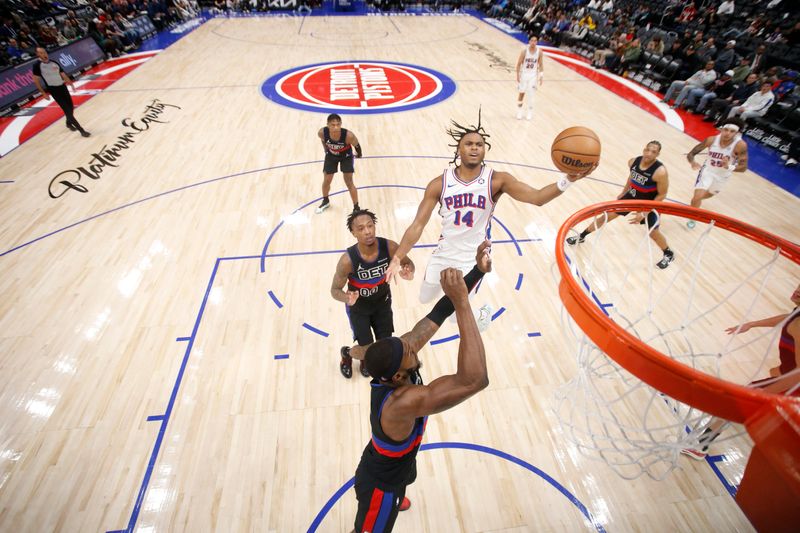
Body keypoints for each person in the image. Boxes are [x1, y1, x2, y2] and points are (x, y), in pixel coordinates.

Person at [352, 241, 492, 532]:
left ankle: (400, 491)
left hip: (398, 462)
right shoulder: (401, 403)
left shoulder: (398, 354)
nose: (415, 346)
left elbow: (439, 312)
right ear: (399, 378)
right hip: (381, 484)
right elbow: (475, 380)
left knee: (404, 473)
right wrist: (464, 304)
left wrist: (477, 272)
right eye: (411, 352)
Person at [384, 111, 593, 303]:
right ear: (459, 149)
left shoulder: (497, 181)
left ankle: (479, 312)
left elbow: (536, 197)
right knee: (424, 298)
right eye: (469, 144)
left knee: (454, 313)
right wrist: (397, 257)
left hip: (474, 258)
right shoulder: (439, 184)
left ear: (485, 149)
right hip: (444, 252)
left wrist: (568, 180)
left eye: (479, 144)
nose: (474, 147)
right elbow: (417, 225)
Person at [682, 283, 800, 460]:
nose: (798, 288)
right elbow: (787, 318)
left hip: (794, 385)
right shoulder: (797, 315)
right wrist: (753, 324)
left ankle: (701, 445)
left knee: (736, 401)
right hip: (788, 376)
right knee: (772, 374)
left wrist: (763, 394)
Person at [331, 209, 415, 379]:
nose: (367, 231)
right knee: (366, 347)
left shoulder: (389, 247)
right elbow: (334, 290)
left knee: (385, 343)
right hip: (359, 308)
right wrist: (347, 298)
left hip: (382, 303)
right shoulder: (347, 260)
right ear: (353, 233)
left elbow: (408, 263)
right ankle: (347, 354)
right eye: (361, 228)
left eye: (370, 226)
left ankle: (368, 360)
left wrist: (409, 272)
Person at [566, 141, 675, 269]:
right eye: (648, 150)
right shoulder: (633, 162)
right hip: (632, 197)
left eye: (653, 152)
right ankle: (582, 236)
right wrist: (623, 193)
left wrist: (645, 212)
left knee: (653, 233)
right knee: (606, 216)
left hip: (650, 204)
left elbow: (662, 195)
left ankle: (668, 253)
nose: (649, 154)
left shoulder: (660, 172)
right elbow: (631, 177)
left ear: (658, 154)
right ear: (644, 149)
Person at [685, 117, 748, 227]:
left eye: (732, 131)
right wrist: (693, 162)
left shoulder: (740, 145)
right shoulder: (711, 140)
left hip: (723, 175)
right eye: (726, 130)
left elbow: (743, 168)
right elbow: (691, 153)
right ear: (721, 129)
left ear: (736, 133)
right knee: (697, 197)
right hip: (707, 171)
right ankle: (692, 217)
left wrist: (729, 167)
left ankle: (696, 202)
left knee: (709, 194)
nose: (727, 133)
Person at [31, 47, 90, 137]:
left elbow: (62, 74)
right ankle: (81, 130)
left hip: (63, 87)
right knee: (66, 110)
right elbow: (36, 80)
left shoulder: (54, 62)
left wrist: (70, 83)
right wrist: (43, 93)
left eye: (45, 52)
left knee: (70, 108)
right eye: (41, 53)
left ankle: (68, 123)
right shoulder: (37, 65)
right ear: (38, 55)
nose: (44, 54)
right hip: (54, 90)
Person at [315, 113, 362, 214]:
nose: (336, 127)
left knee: (349, 182)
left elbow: (357, 146)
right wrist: (325, 149)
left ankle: (356, 207)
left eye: (338, 124)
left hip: (346, 157)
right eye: (333, 125)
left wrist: (359, 154)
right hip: (331, 156)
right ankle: (325, 201)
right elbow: (323, 140)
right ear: (327, 125)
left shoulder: (349, 135)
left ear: (341, 124)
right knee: (326, 180)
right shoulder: (322, 133)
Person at [515, 35, 544, 121]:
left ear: (537, 42)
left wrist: (541, 76)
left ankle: (529, 112)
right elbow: (519, 63)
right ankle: (519, 111)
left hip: (533, 75)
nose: (533, 42)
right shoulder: (524, 51)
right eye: (532, 40)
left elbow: (541, 64)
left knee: (531, 94)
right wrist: (517, 75)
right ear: (529, 41)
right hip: (524, 74)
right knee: (521, 93)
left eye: (535, 41)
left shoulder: (539, 52)